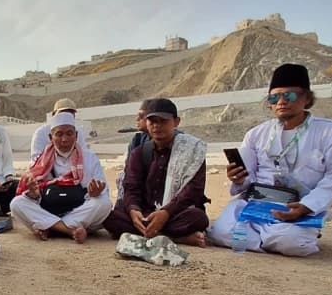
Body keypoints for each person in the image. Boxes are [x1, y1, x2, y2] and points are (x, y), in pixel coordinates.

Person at [207, 63, 332, 256]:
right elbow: (248, 178)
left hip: (297, 205)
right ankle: (269, 240)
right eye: (274, 97)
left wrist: (306, 206)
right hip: (256, 202)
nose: (281, 101)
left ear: (307, 98)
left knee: (292, 244)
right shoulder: (256, 134)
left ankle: (273, 238)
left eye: (290, 95)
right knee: (221, 234)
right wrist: (239, 178)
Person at [103, 98, 209, 247]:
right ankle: (174, 238)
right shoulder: (139, 153)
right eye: (152, 121)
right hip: (145, 214)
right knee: (108, 215)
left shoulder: (191, 151)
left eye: (163, 121)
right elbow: (131, 187)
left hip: (174, 213)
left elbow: (193, 190)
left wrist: (165, 213)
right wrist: (134, 211)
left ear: (176, 122)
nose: (157, 126)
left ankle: (147, 234)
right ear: (146, 123)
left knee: (198, 218)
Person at [10, 112, 112, 244]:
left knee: (104, 204)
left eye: (69, 133)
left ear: (76, 136)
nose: (64, 139)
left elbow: (103, 192)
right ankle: (70, 231)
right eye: (59, 134)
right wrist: (33, 194)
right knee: (17, 203)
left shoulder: (90, 158)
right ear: (50, 137)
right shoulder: (41, 161)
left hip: (79, 208)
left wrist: (95, 193)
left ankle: (51, 227)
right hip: (50, 208)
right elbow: (34, 195)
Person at [114, 104, 151, 203]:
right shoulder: (137, 140)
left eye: (141, 116)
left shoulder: (175, 141)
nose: (137, 119)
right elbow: (129, 169)